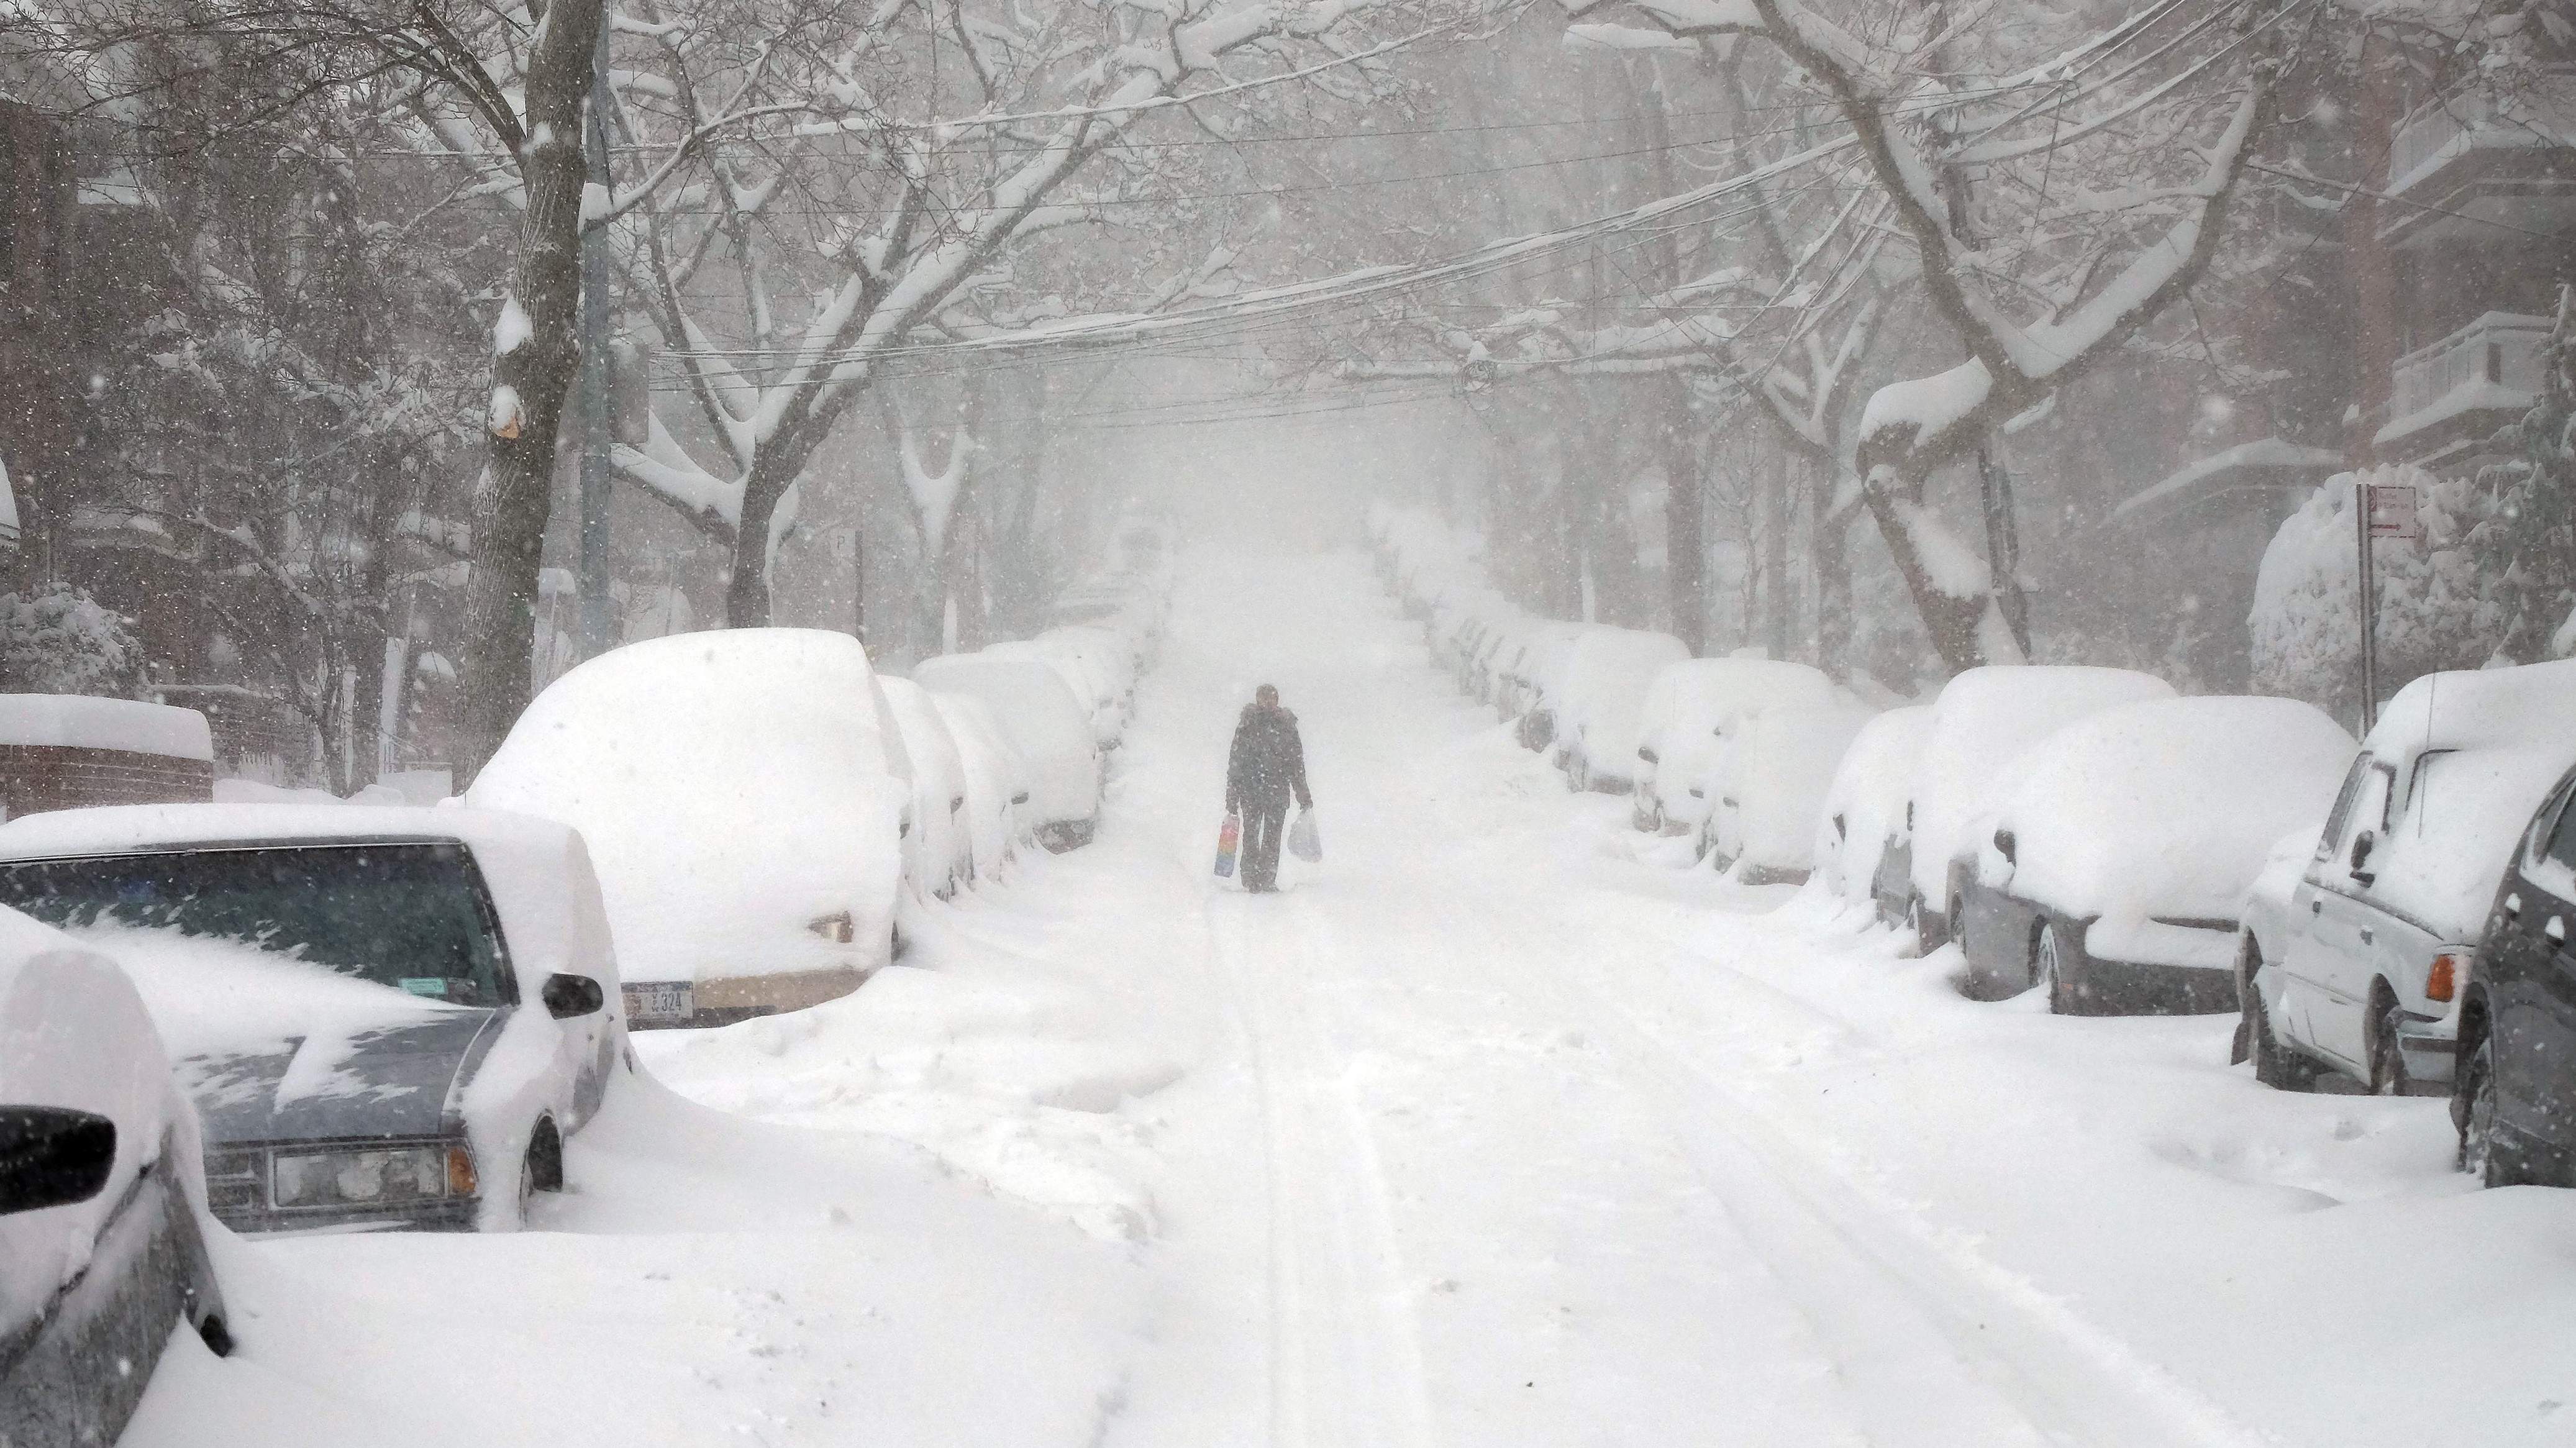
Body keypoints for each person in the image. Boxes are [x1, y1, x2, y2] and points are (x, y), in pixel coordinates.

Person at [1226, 683, 1313, 893]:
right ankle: (1250, 878)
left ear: (1277, 700)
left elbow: (1296, 764)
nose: (1267, 702)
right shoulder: (1247, 726)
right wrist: (1232, 794)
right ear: (1257, 699)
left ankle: (1266, 878)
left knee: (1272, 836)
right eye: (1264, 698)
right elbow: (1236, 761)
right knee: (1251, 834)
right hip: (1253, 790)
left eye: (1271, 698)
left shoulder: (1286, 728)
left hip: (1274, 791)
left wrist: (1303, 793)